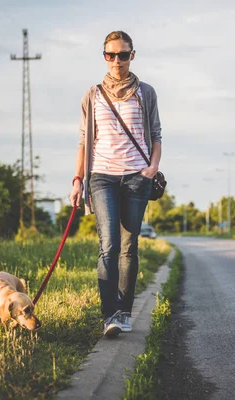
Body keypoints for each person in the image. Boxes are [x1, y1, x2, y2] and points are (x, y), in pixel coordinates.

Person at [69, 30, 162, 337]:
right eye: (111, 55)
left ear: (132, 55)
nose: (117, 61)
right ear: (104, 56)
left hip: (137, 177)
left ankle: (124, 312)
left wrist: (152, 168)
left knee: (128, 247)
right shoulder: (92, 95)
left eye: (123, 54)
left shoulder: (145, 92)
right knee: (108, 245)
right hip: (103, 176)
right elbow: (83, 140)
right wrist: (77, 180)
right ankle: (109, 315)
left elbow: (156, 134)